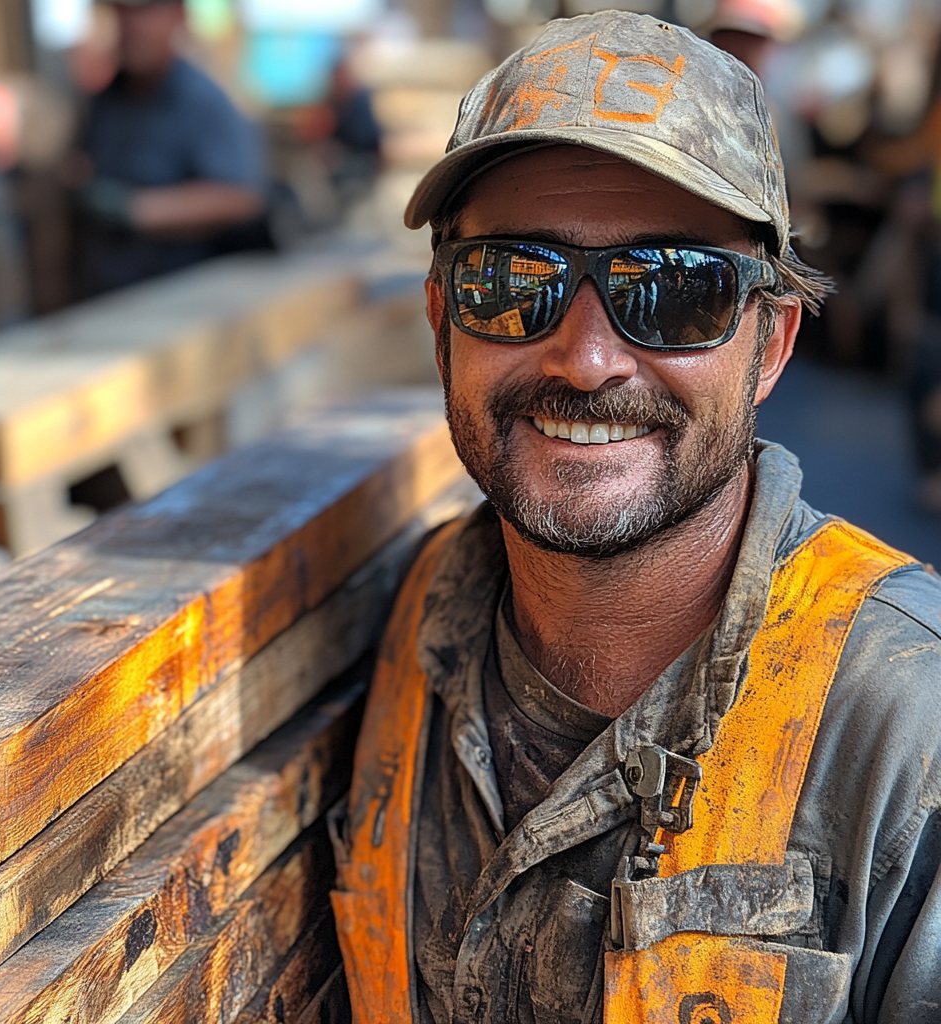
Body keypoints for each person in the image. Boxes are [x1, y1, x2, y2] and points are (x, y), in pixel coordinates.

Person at [328, 11, 941, 1024]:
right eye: (512, 282)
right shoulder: (419, 623)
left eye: (673, 291)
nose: (585, 358)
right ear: (443, 324)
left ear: (770, 345)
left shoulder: (908, 730)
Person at [76, 0, 264, 295]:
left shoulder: (201, 100)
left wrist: (136, 210)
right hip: (109, 299)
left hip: (181, 300)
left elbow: (240, 196)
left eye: (144, 11)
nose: (131, 25)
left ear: (178, 15)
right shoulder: (106, 102)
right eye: (122, 12)